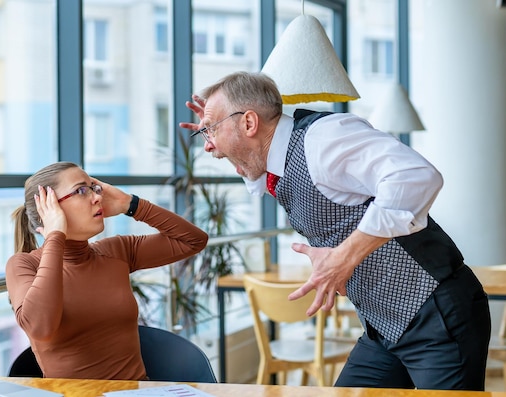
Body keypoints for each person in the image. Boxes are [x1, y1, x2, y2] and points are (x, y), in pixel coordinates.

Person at [179, 71, 490, 390]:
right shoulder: (280, 162)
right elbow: (260, 179)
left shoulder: (325, 138)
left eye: (213, 128)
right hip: (383, 327)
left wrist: (343, 257)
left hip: (435, 315)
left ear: (248, 123)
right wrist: (219, 135)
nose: (208, 145)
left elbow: (416, 177)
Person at [5, 161, 208, 380]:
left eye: (94, 188)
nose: (97, 197)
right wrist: (55, 236)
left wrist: (129, 204)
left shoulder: (116, 250)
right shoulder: (24, 265)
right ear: (50, 207)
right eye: (81, 191)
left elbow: (193, 241)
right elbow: (40, 327)